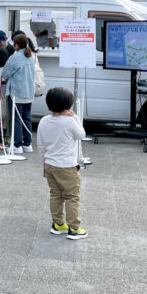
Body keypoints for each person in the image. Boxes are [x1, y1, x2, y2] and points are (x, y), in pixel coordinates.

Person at [36, 87, 87, 240]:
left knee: (55, 194)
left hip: (50, 165)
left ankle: (58, 224)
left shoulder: (44, 121)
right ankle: (74, 229)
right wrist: (76, 118)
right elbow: (81, 135)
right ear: (68, 106)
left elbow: (40, 144)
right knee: (72, 197)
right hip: (67, 167)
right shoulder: (69, 122)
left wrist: (45, 160)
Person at [0, 34, 37, 154]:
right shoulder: (30, 56)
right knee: (26, 118)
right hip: (29, 92)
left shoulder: (14, 57)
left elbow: (5, 74)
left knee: (16, 119)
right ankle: (27, 144)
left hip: (16, 93)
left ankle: (17, 145)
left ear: (16, 45)